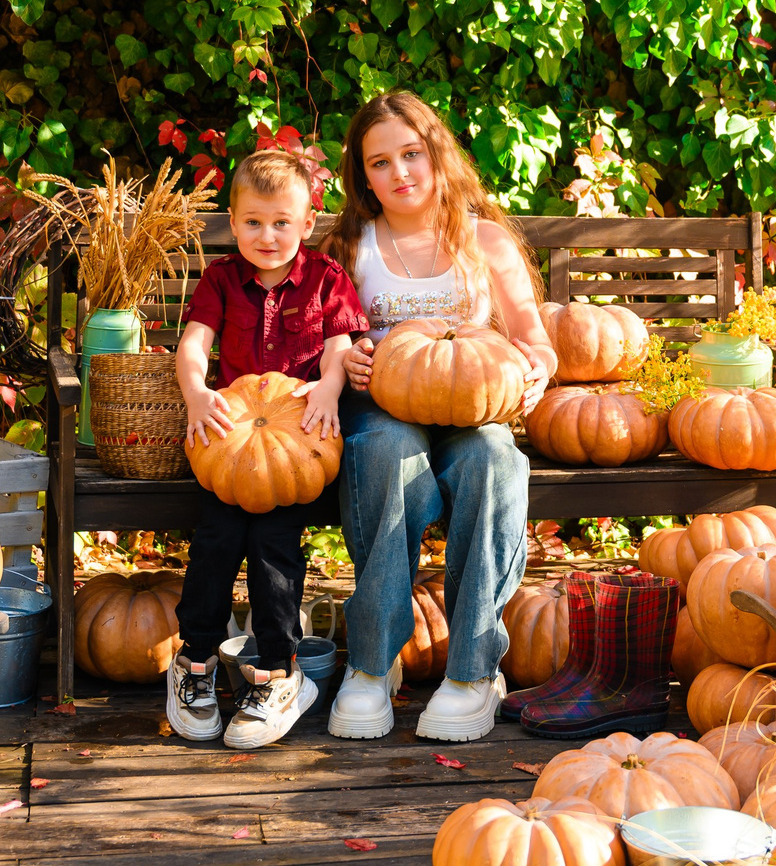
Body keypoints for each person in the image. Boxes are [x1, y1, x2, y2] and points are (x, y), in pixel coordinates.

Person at [324, 92, 555, 742]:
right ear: (361, 174)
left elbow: (534, 337)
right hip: (383, 403)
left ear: (436, 153)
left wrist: (536, 368)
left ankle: (473, 669)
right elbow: (323, 333)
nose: (399, 171)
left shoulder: (483, 239)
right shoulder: (351, 244)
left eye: (411, 153)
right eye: (380, 161)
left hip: (469, 405)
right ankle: (373, 662)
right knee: (384, 454)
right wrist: (348, 357)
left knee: (496, 460)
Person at [168, 149, 366, 749]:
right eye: (253, 222)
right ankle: (195, 661)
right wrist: (197, 393)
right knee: (216, 541)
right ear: (233, 222)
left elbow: (339, 347)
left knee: (275, 550)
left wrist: (330, 389)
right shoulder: (221, 279)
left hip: (299, 442)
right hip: (228, 436)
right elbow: (194, 344)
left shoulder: (327, 277)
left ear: (308, 223)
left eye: (282, 222)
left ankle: (278, 671)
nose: (267, 235)